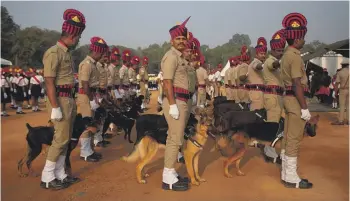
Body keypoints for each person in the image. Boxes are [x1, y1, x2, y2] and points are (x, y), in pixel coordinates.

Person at [40, 9, 86, 190]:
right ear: (73, 35)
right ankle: (47, 176)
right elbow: (49, 82)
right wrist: (54, 107)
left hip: (68, 98)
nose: (78, 40)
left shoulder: (65, 52)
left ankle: (59, 173)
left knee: (65, 139)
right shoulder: (54, 52)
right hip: (59, 99)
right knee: (59, 139)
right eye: (78, 36)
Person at [280, 12, 313, 189]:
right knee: (294, 138)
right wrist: (305, 107)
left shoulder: (287, 54)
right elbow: (296, 84)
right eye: (303, 38)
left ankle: (286, 173)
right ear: (298, 39)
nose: (304, 41)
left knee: (287, 137)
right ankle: (291, 177)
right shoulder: (294, 56)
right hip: (294, 100)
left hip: (288, 99)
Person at [161, 16, 191, 191]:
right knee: (175, 138)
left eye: (183, 38)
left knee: (175, 137)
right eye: (178, 38)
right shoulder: (171, 56)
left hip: (182, 100)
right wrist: (172, 104)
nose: (181, 41)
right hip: (176, 101)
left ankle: (170, 172)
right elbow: (167, 82)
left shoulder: (180, 57)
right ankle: (168, 177)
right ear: (172, 40)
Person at [77, 36, 109, 160]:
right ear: (96, 51)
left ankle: (90, 149)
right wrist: (91, 100)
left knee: (92, 123)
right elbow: (85, 84)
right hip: (86, 96)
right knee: (87, 124)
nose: (102, 55)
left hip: (92, 95)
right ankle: (85, 152)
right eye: (101, 53)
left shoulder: (93, 64)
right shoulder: (87, 64)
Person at [261, 29, 286, 163]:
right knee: (272, 125)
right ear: (272, 51)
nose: (280, 53)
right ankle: (269, 152)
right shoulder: (270, 61)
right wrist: (282, 60)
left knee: (282, 126)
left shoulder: (277, 62)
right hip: (272, 97)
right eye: (278, 51)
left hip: (279, 97)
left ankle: (278, 151)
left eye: (282, 51)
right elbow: (274, 64)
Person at [246, 37, 267, 111]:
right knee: (256, 116)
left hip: (258, 93)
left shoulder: (257, 62)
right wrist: (265, 65)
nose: (263, 55)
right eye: (261, 54)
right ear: (256, 55)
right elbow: (257, 67)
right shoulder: (256, 62)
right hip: (257, 94)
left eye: (264, 54)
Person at [331, 59, 349, 125]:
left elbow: (337, 83)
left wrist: (335, 92)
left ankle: (341, 121)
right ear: (348, 65)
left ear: (342, 65)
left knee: (342, 105)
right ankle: (348, 120)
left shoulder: (340, 72)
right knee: (348, 106)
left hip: (342, 90)